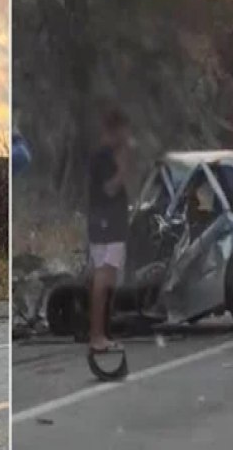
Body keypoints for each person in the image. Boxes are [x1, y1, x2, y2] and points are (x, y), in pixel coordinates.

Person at [87, 108, 131, 352]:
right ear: (114, 131)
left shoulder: (104, 155)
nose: (126, 138)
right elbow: (110, 189)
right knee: (103, 277)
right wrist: (123, 169)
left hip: (108, 223)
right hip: (106, 224)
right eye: (123, 132)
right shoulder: (103, 157)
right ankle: (96, 335)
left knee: (107, 278)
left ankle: (102, 333)